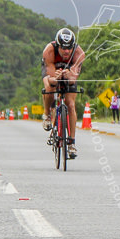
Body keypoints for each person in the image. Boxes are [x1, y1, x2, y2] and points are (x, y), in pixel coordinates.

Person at [41, 27, 85, 158]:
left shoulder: (79, 53)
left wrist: (69, 75)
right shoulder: (49, 51)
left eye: (69, 48)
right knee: (50, 88)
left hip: (69, 73)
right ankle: (47, 114)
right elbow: (52, 82)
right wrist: (57, 77)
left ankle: (71, 143)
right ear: (57, 45)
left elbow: (72, 81)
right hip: (53, 71)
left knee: (70, 104)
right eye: (63, 48)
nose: (66, 51)